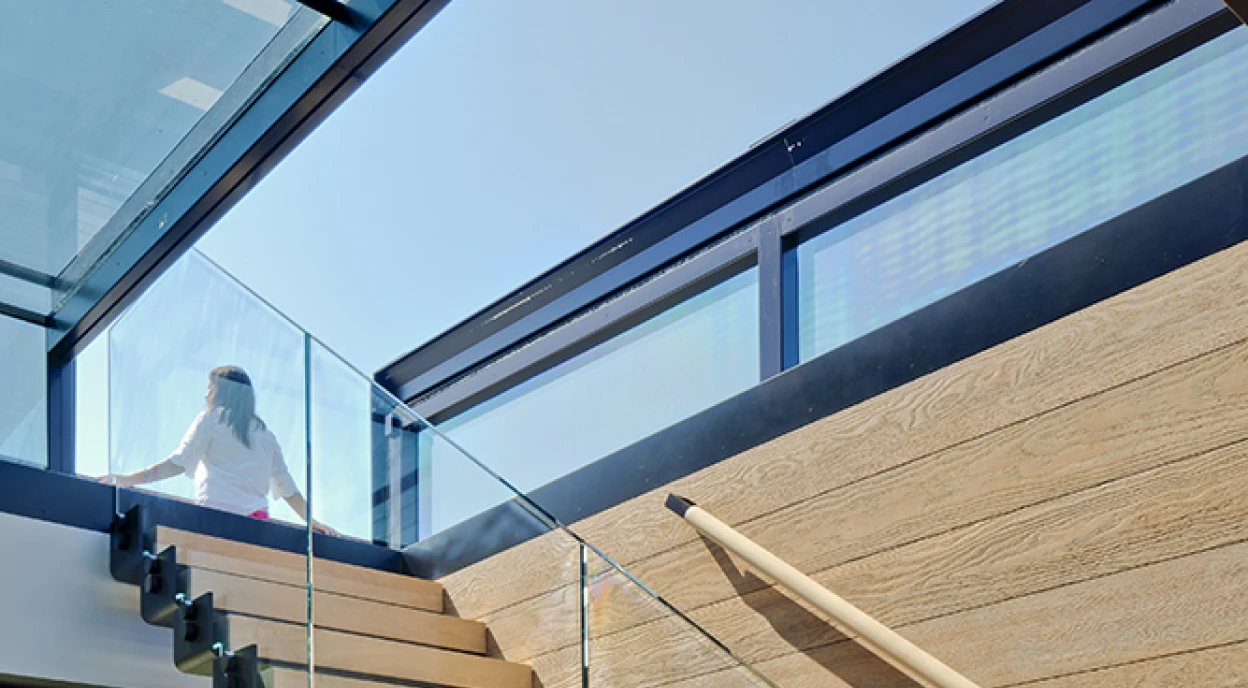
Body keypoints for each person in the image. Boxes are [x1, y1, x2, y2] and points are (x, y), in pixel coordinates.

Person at [109, 365, 335, 535]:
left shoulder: (212, 420)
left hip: (214, 519)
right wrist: (311, 521)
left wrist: (128, 479)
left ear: (222, 392)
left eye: (210, 388)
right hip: (255, 523)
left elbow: (178, 463)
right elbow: (288, 489)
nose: (206, 395)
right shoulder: (266, 436)